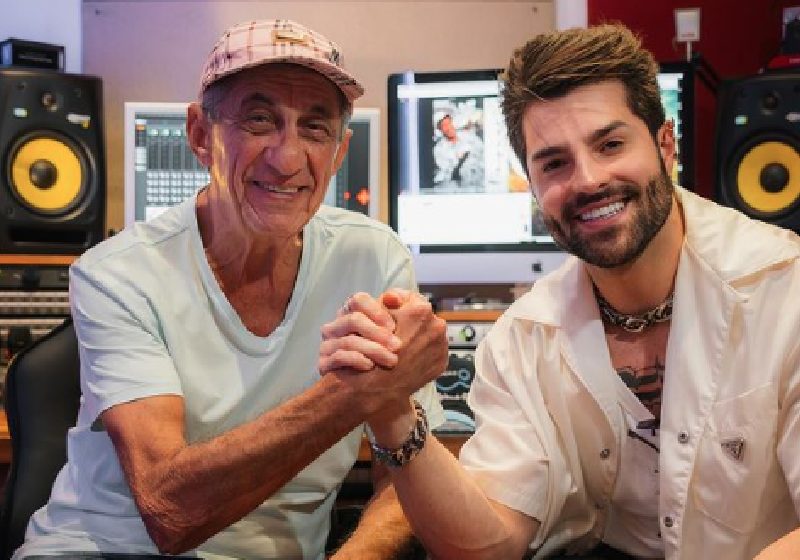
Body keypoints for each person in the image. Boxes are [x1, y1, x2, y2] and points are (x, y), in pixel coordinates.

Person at [320, 23, 800, 560]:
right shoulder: (523, 336)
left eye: (611, 144)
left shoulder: (786, 289)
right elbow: (489, 544)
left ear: (666, 145)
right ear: (532, 183)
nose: (589, 180)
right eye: (554, 163)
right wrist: (392, 414)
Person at [14, 19, 447, 559]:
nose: (288, 159)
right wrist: (354, 393)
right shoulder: (118, 273)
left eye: (315, 128)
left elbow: (406, 468)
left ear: (339, 152)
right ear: (200, 134)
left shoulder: (375, 257)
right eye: (259, 120)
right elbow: (170, 513)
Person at [432, 112, 485, 190]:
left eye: (449, 123)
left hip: (479, 184)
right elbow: (447, 172)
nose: (448, 127)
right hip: (457, 188)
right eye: (444, 126)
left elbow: (483, 152)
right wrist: (459, 160)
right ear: (440, 129)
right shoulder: (439, 149)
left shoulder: (469, 136)